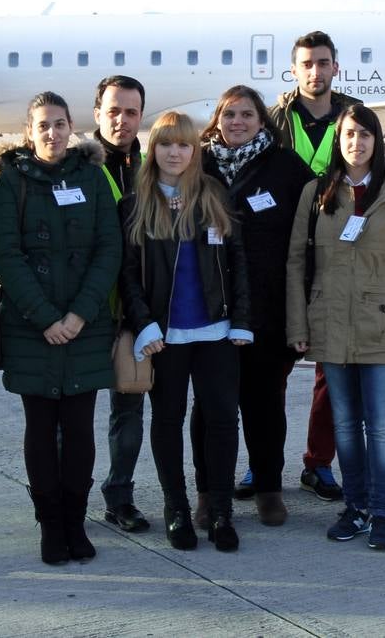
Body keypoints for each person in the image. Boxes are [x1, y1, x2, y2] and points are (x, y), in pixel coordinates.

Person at [0, 92, 122, 564]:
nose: (52, 133)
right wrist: (46, 317)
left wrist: (79, 315)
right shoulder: (12, 180)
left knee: (81, 428)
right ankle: (50, 524)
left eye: (60, 124)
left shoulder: (92, 176)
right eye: (43, 125)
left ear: (72, 128)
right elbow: (5, 253)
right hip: (33, 327)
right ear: (29, 130)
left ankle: (75, 520)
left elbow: (110, 248)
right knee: (41, 429)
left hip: (84, 324)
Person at [286, 104, 385, 551]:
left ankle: (382, 512)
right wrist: (299, 323)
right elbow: (296, 263)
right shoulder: (317, 192)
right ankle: (355, 506)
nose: (356, 143)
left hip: (382, 328)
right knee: (345, 424)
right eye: (348, 134)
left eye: (365, 135)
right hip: (330, 325)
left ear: (376, 141)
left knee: (381, 426)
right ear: (338, 139)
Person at [117, 112, 252, 552]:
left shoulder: (213, 194)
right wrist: (144, 324)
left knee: (221, 423)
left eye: (184, 145)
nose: (174, 153)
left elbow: (239, 266)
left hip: (216, 333)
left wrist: (243, 321)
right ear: (152, 149)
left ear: (195, 151)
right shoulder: (136, 202)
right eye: (165, 144)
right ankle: (175, 509)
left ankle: (219, 510)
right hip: (165, 337)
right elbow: (128, 275)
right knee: (168, 421)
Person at [197, 86, 313, 526]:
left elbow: (310, 231)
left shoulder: (285, 167)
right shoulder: (200, 165)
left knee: (265, 405)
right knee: (209, 408)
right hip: (209, 311)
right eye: (230, 114)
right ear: (218, 119)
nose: (238, 122)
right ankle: (209, 493)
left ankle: (268, 489)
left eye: (248, 114)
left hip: (268, 310)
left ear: (263, 122)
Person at [268, 30, 357, 501]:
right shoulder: (273, 120)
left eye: (323, 63)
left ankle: (318, 463)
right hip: (280, 260)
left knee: (331, 370)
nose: (315, 72)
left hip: (335, 259)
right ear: (295, 68)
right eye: (307, 63)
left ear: (335, 67)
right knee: (271, 372)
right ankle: (264, 466)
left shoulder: (353, 118)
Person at [91, 75, 153, 534]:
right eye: (113, 111)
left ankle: (120, 494)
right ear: (97, 115)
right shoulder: (77, 167)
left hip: (133, 310)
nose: (122, 120)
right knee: (68, 412)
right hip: (85, 310)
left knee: (128, 407)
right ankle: (63, 492)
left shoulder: (152, 168)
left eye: (131, 112)